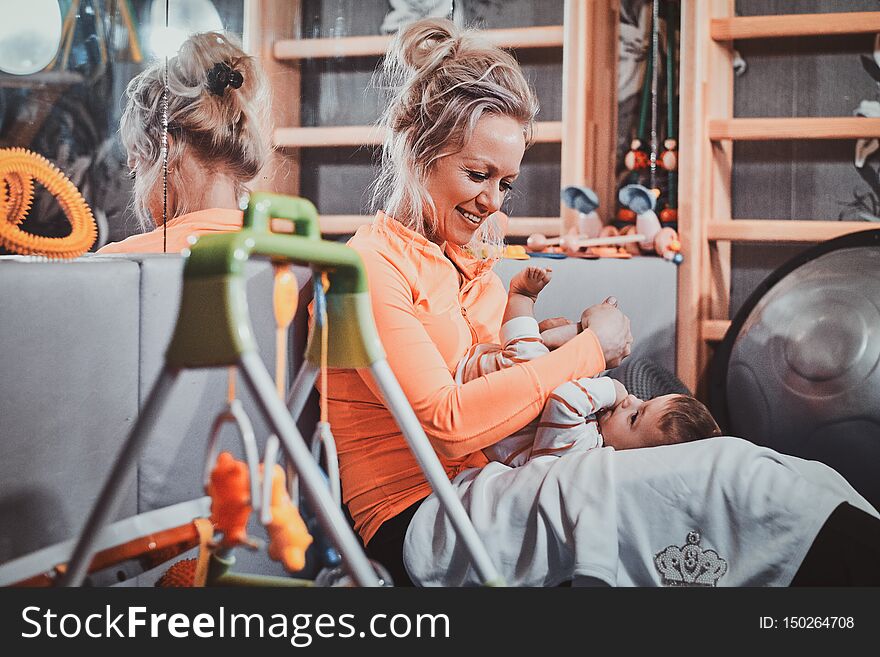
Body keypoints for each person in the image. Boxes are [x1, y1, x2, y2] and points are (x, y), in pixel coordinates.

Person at [328, 18, 880, 588]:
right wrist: (589, 351)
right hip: (422, 518)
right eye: (478, 174)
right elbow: (448, 423)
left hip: (496, 484)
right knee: (731, 480)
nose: (493, 202)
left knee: (773, 472)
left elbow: (498, 389)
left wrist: (552, 343)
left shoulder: (477, 270)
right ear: (419, 151)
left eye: (507, 183)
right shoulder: (371, 265)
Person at [458, 265, 721, 466]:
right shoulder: (598, 432)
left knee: (532, 358)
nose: (630, 400)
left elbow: (565, 400)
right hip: (488, 380)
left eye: (634, 418)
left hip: (477, 403)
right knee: (554, 360)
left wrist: (609, 383)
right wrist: (592, 349)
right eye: (645, 400)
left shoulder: (583, 454)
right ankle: (571, 333)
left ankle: (522, 297)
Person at [97, 31, 271, 254]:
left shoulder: (124, 260)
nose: (139, 196)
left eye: (136, 170)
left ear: (166, 151)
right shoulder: (290, 256)